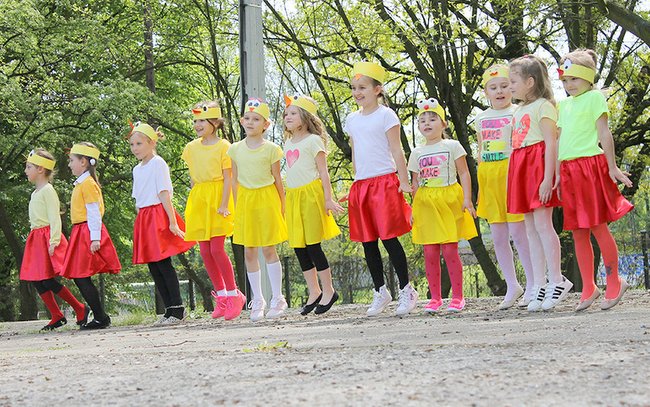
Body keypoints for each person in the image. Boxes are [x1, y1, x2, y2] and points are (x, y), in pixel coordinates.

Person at [556, 49, 634, 311]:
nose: (569, 85)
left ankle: (614, 280)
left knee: (598, 227)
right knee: (578, 231)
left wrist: (613, 168)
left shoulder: (595, 99)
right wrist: (556, 173)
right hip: (568, 171)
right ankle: (588, 286)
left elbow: (605, 134)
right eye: (565, 80)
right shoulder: (562, 105)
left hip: (590, 167)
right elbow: (558, 141)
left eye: (574, 79)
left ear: (589, 78)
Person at [343, 61, 418, 317]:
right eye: (353, 88)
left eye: (362, 87)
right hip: (362, 185)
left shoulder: (386, 115)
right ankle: (380, 291)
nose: (357, 92)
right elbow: (355, 150)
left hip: (385, 181)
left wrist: (404, 180)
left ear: (377, 89)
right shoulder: (351, 119)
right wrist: (355, 180)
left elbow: (397, 149)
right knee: (367, 241)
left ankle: (407, 290)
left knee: (389, 238)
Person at [508, 55, 573, 312]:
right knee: (529, 228)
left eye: (514, 81)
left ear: (530, 82)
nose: (510, 86)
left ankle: (557, 280)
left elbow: (551, 143)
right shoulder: (519, 110)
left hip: (537, 166)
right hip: (521, 167)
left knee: (544, 225)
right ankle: (538, 283)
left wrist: (548, 177)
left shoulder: (545, 107)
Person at [409, 98, 477, 312]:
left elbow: (464, 172)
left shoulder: (453, 146)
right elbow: (415, 183)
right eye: (422, 120)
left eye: (432, 118)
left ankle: (458, 297)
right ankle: (435, 298)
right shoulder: (416, 153)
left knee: (449, 249)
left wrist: (468, 198)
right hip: (426, 204)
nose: (427, 123)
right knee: (429, 251)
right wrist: (413, 209)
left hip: (449, 201)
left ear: (443, 123)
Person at [475, 65, 534, 309]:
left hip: (512, 174)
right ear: (486, 92)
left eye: (504, 85)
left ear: (512, 87)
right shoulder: (480, 118)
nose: (499, 91)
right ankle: (512, 284)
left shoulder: (519, 112)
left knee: (520, 234)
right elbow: (480, 150)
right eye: (493, 87)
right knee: (498, 236)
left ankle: (533, 283)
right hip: (489, 176)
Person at [182, 102, 246, 321]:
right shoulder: (191, 148)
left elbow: (228, 177)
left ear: (215, 122)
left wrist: (224, 203)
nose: (198, 125)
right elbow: (193, 177)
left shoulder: (224, 146)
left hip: (219, 197)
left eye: (202, 120)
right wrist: (193, 203)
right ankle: (221, 296)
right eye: (196, 121)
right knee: (205, 251)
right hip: (200, 198)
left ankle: (234, 294)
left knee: (217, 248)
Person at [228, 98, 288, 322]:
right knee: (249, 251)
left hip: (267, 199)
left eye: (256, 119)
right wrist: (237, 207)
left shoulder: (272, 149)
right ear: (242, 121)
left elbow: (277, 180)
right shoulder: (234, 149)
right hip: (246, 201)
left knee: (269, 249)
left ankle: (278, 298)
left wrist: (282, 205)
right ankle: (258, 299)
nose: (250, 122)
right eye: (247, 118)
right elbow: (234, 180)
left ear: (266, 124)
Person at [283, 94, 343, 315]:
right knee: (299, 245)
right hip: (293, 196)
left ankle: (329, 290)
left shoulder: (314, 141)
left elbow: (324, 173)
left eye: (293, 113)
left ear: (305, 117)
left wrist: (328, 199)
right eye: (286, 113)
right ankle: (314, 290)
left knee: (312, 244)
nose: (288, 117)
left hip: (310, 194)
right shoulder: (288, 142)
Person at [129, 122, 196, 324]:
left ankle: (177, 309)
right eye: (132, 144)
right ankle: (168, 309)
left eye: (139, 143)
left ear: (151, 143)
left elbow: (164, 193)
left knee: (163, 263)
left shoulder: (158, 163)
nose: (135, 148)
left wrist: (172, 222)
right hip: (144, 217)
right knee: (153, 265)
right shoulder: (137, 169)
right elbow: (138, 198)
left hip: (158, 214)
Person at [21, 149, 89, 331]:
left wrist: (54, 240)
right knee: (36, 279)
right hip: (36, 237)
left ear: (41, 169)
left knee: (48, 280)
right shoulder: (35, 193)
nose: (25, 171)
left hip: (47, 237)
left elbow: (54, 217)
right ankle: (57, 315)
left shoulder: (48, 191)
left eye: (29, 167)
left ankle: (80, 308)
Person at [61, 142, 121, 329]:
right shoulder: (82, 183)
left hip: (87, 231)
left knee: (81, 275)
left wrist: (95, 237)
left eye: (72, 160)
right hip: (81, 231)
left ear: (84, 162)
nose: (69, 164)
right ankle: (100, 316)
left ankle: (101, 317)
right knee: (80, 276)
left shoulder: (87, 184)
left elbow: (93, 211)